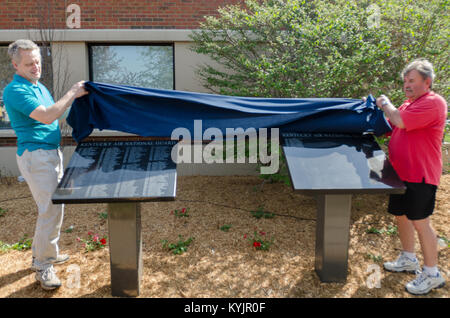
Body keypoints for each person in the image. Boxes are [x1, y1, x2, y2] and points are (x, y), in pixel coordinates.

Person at [2, 39, 88, 290]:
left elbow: (57, 112)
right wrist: (73, 92)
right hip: (36, 156)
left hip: (50, 153)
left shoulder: (38, 87)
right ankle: (43, 265)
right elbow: (48, 115)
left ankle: (46, 252)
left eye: (38, 61)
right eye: (29, 63)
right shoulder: (16, 91)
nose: (36, 67)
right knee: (49, 210)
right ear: (15, 65)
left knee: (54, 207)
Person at [375, 58, 447, 295]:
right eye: (405, 80)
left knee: (420, 222)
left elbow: (399, 121)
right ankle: (408, 258)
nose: (407, 84)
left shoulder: (433, 103)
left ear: (427, 82)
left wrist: (384, 102)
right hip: (401, 173)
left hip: (421, 175)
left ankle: (432, 273)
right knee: (402, 216)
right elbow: (393, 125)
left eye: (412, 80)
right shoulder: (409, 104)